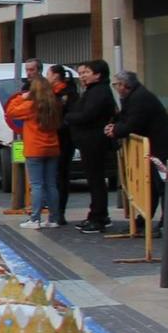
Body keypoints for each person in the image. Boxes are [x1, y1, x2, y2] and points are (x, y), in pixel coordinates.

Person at [106, 71, 168, 218]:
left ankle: (167, 223)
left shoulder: (140, 98)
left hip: (162, 148)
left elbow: (133, 123)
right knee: (152, 187)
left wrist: (116, 131)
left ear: (124, 85)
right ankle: (145, 219)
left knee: (162, 186)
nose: (115, 88)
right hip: (155, 148)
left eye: (116, 84)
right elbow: (125, 117)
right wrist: (115, 126)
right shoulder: (133, 96)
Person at [6, 75, 64, 228]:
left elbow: (11, 111)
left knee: (36, 185)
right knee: (51, 185)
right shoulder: (54, 105)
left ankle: (35, 219)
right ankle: (53, 218)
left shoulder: (31, 106)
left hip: (35, 149)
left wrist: (21, 97)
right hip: (52, 148)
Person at [65, 60, 116, 232]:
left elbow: (87, 115)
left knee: (96, 181)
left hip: (94, 142)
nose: (83, 76)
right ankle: (96, 214)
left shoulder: (100, 92)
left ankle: (99, 217)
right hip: (88, 142)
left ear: (98, 74)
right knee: (94, 181)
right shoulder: (92, 91)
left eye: (87, 72)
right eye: (81, 73)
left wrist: (69, 117)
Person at [44, 64, 74, 225]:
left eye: (48, 74)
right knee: (53, 178)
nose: (47, 77)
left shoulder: (66, 93)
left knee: (60, 177)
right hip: (52, 140)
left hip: (63, 140)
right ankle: (55, 211)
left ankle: (59, 212)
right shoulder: (51, 93)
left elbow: (66, 117)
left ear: (56, 76)